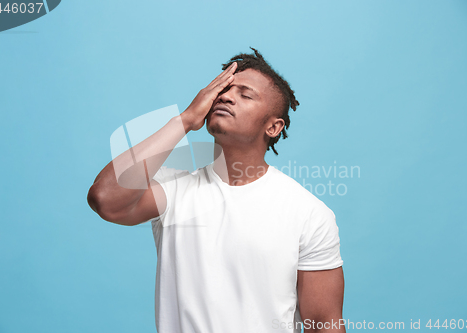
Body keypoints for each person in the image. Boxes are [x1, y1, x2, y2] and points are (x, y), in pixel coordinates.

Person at [87, 48, 345, 333]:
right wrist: (184, 120)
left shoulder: (308, 213)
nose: (225, 96)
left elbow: (324, 324)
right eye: (222, 90)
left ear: (273, 126)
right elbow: (105, 198)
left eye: (245, 95)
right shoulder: (172, 192)